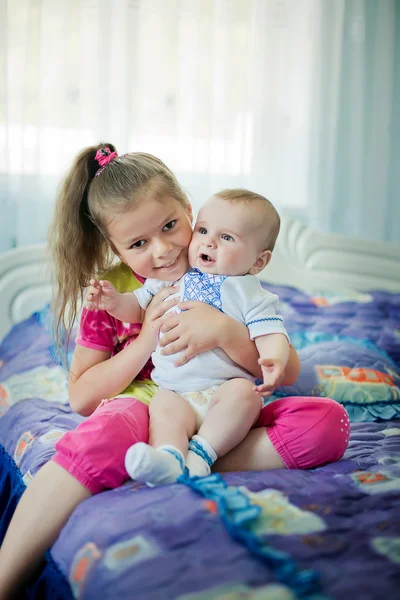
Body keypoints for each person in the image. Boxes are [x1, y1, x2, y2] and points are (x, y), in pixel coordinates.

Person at [0, 144, 349, 598]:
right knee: (100, 433)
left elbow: (287, 371)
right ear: (115, 248)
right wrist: (146, 337)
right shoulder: (117, 292)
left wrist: (225, 333)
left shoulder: (231, 269)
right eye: (138, 244)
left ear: (188, 209)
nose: (163, 250)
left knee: (328, 424)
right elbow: (83, 398)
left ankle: (181, 457)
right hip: (155, 400)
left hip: (227, 404)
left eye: (170, 227)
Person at [88, 188, 292, 485]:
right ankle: (169, 457)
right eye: (204, 230)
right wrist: (114, 303)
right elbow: (137, 307)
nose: (209, 241)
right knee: (162, 409)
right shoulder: (174, 277)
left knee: (245, 395)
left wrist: (274, 357)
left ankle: (201, 454)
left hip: (223, 391)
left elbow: (271, 330)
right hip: (175, 390)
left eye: (226, 237)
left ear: (258, 262)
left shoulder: (250, 293)